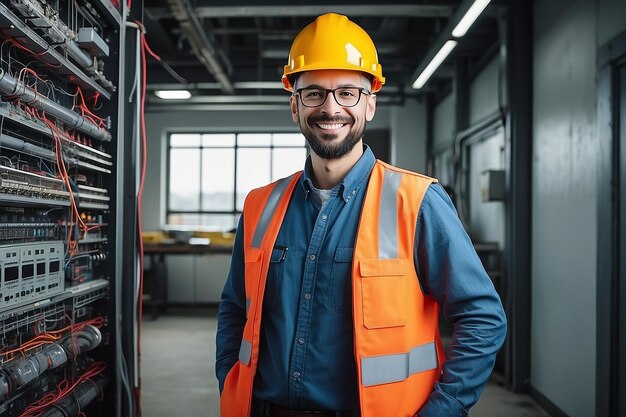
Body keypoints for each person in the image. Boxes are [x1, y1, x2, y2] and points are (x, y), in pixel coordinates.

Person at [216, 13, 506, 417]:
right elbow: (234, 307)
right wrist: (227, 374)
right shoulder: (260, 204)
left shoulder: (417, 200)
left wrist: (445, 408)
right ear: (294, 106)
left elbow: (482, 317)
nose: (330, 108)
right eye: (313, 93)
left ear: (370, 103)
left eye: (348, 93)